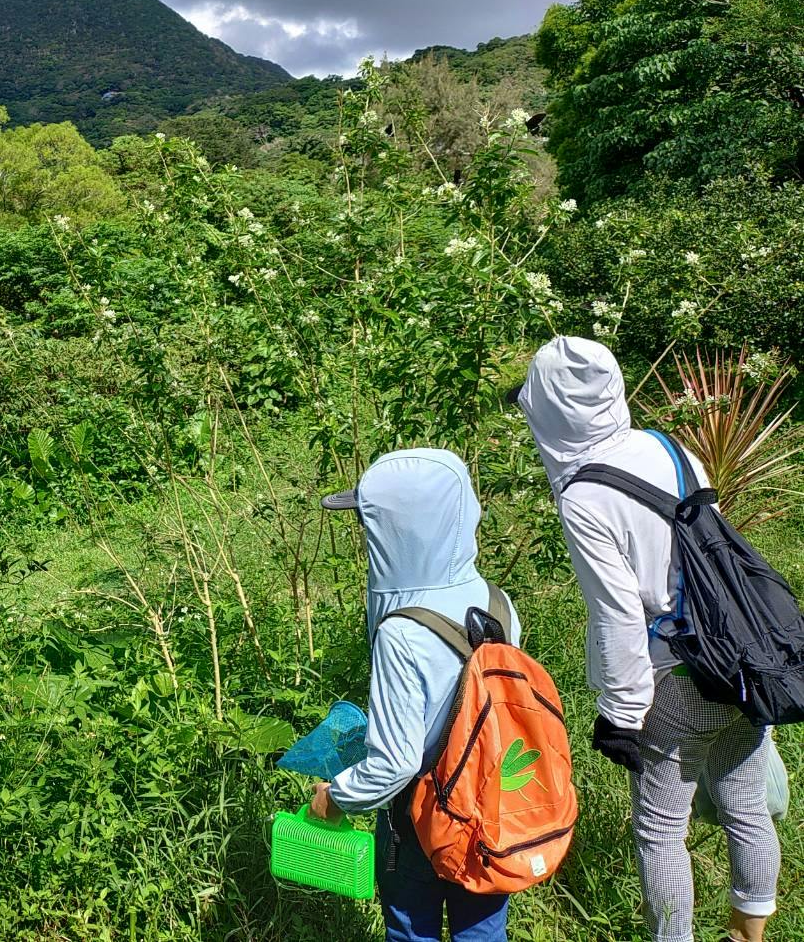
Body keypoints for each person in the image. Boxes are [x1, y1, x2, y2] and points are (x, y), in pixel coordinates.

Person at [511, 336, 779, 942]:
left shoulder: (584, 496)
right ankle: (748, 935)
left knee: (661, 831)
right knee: (745, 806)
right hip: (737, 659)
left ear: (549, 411)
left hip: (672, 677)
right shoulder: (670, 447)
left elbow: (618, 613)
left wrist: (621, 715)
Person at [309, 447, 519, 942]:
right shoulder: (496, 601)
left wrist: (335, 797)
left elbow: (396, 763)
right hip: (490, 804)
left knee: (411, 930)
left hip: (419, 818)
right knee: (483, 929)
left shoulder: (401, 632)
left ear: (398, 530)